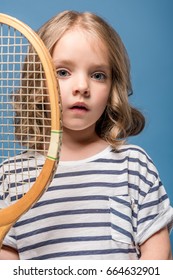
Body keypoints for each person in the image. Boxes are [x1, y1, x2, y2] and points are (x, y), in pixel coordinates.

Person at [0, 10, 173, 260]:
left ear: (113, 87)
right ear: (38, 81)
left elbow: (159, 254)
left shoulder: (134, 166)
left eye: (98, 75)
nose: (82, 86)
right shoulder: (11, 176)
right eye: (63, 72)